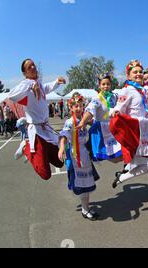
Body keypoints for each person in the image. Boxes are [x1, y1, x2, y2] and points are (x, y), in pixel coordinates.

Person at [8, 59, 65, 180]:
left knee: (60, 162)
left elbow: (46, 88)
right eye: (29, 67)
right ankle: (26, 147)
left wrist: (56, 82)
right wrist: (29, 85)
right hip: (37, 132)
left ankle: (41, 155)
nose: (33, 67)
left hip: (46, 129)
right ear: (25, 73)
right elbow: (11, 96)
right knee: (45, 174)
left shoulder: (38, 84)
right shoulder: (26, 86)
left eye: (33, 64)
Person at [109, 60, 148, 188]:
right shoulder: (127, 90)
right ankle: (122, 177)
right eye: (135, 72)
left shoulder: (141, 90)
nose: (139, 74)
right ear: (128, 75)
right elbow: (119, 107)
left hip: (145, 128)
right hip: (136, 131)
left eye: (140, 71)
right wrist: (115, 111)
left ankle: (123, 175)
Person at [58, 93, 100, 221]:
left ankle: (85, 208)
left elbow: (95, 124)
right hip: (76, 154)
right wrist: (61, 148)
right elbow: (64, 136)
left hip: (84, 153)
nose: (78, 108)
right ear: (71, 108)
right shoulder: (70, 122)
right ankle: (85, 209)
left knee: (87, 182)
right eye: (75, 106)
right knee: (81, 183)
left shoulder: (84, 118)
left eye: (81, 106)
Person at [77, 72, 122, 162]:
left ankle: (127, 169)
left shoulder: (114, 96)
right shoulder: (97, 98)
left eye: (108, 84)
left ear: (111, 85)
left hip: (113, 127)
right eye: (103, 84)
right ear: (99, 85)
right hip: (102, 129)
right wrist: (82, 121)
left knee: (122, 151)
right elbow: (90, 110)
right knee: (113, 157)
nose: (106, 86)